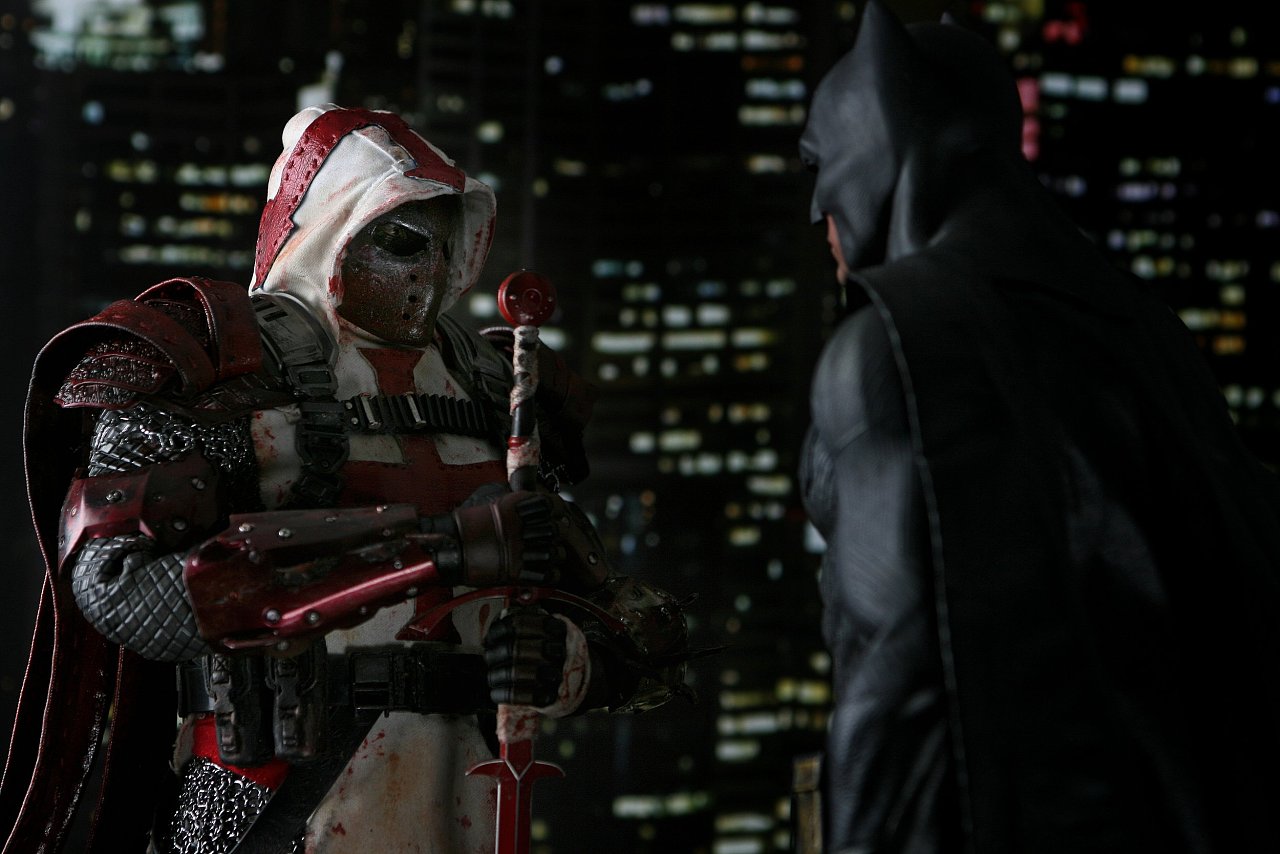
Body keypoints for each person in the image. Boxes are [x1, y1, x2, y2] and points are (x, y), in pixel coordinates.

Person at [2, 105, 688, 853]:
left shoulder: (499, 387)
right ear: (333, 225)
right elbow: (118, 587)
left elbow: (640, 630)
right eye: (400, 240)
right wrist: (434, 550)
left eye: (445, 244)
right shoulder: (218, 370)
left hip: (467, 805)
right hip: (265, 806)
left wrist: (570, 662)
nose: (428, 271)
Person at [797, 3, 1280, 852]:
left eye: (823, 161)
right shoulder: (1145, 331)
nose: (816, 211)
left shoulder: (897, 349)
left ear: (880, 147)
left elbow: (894, 704)